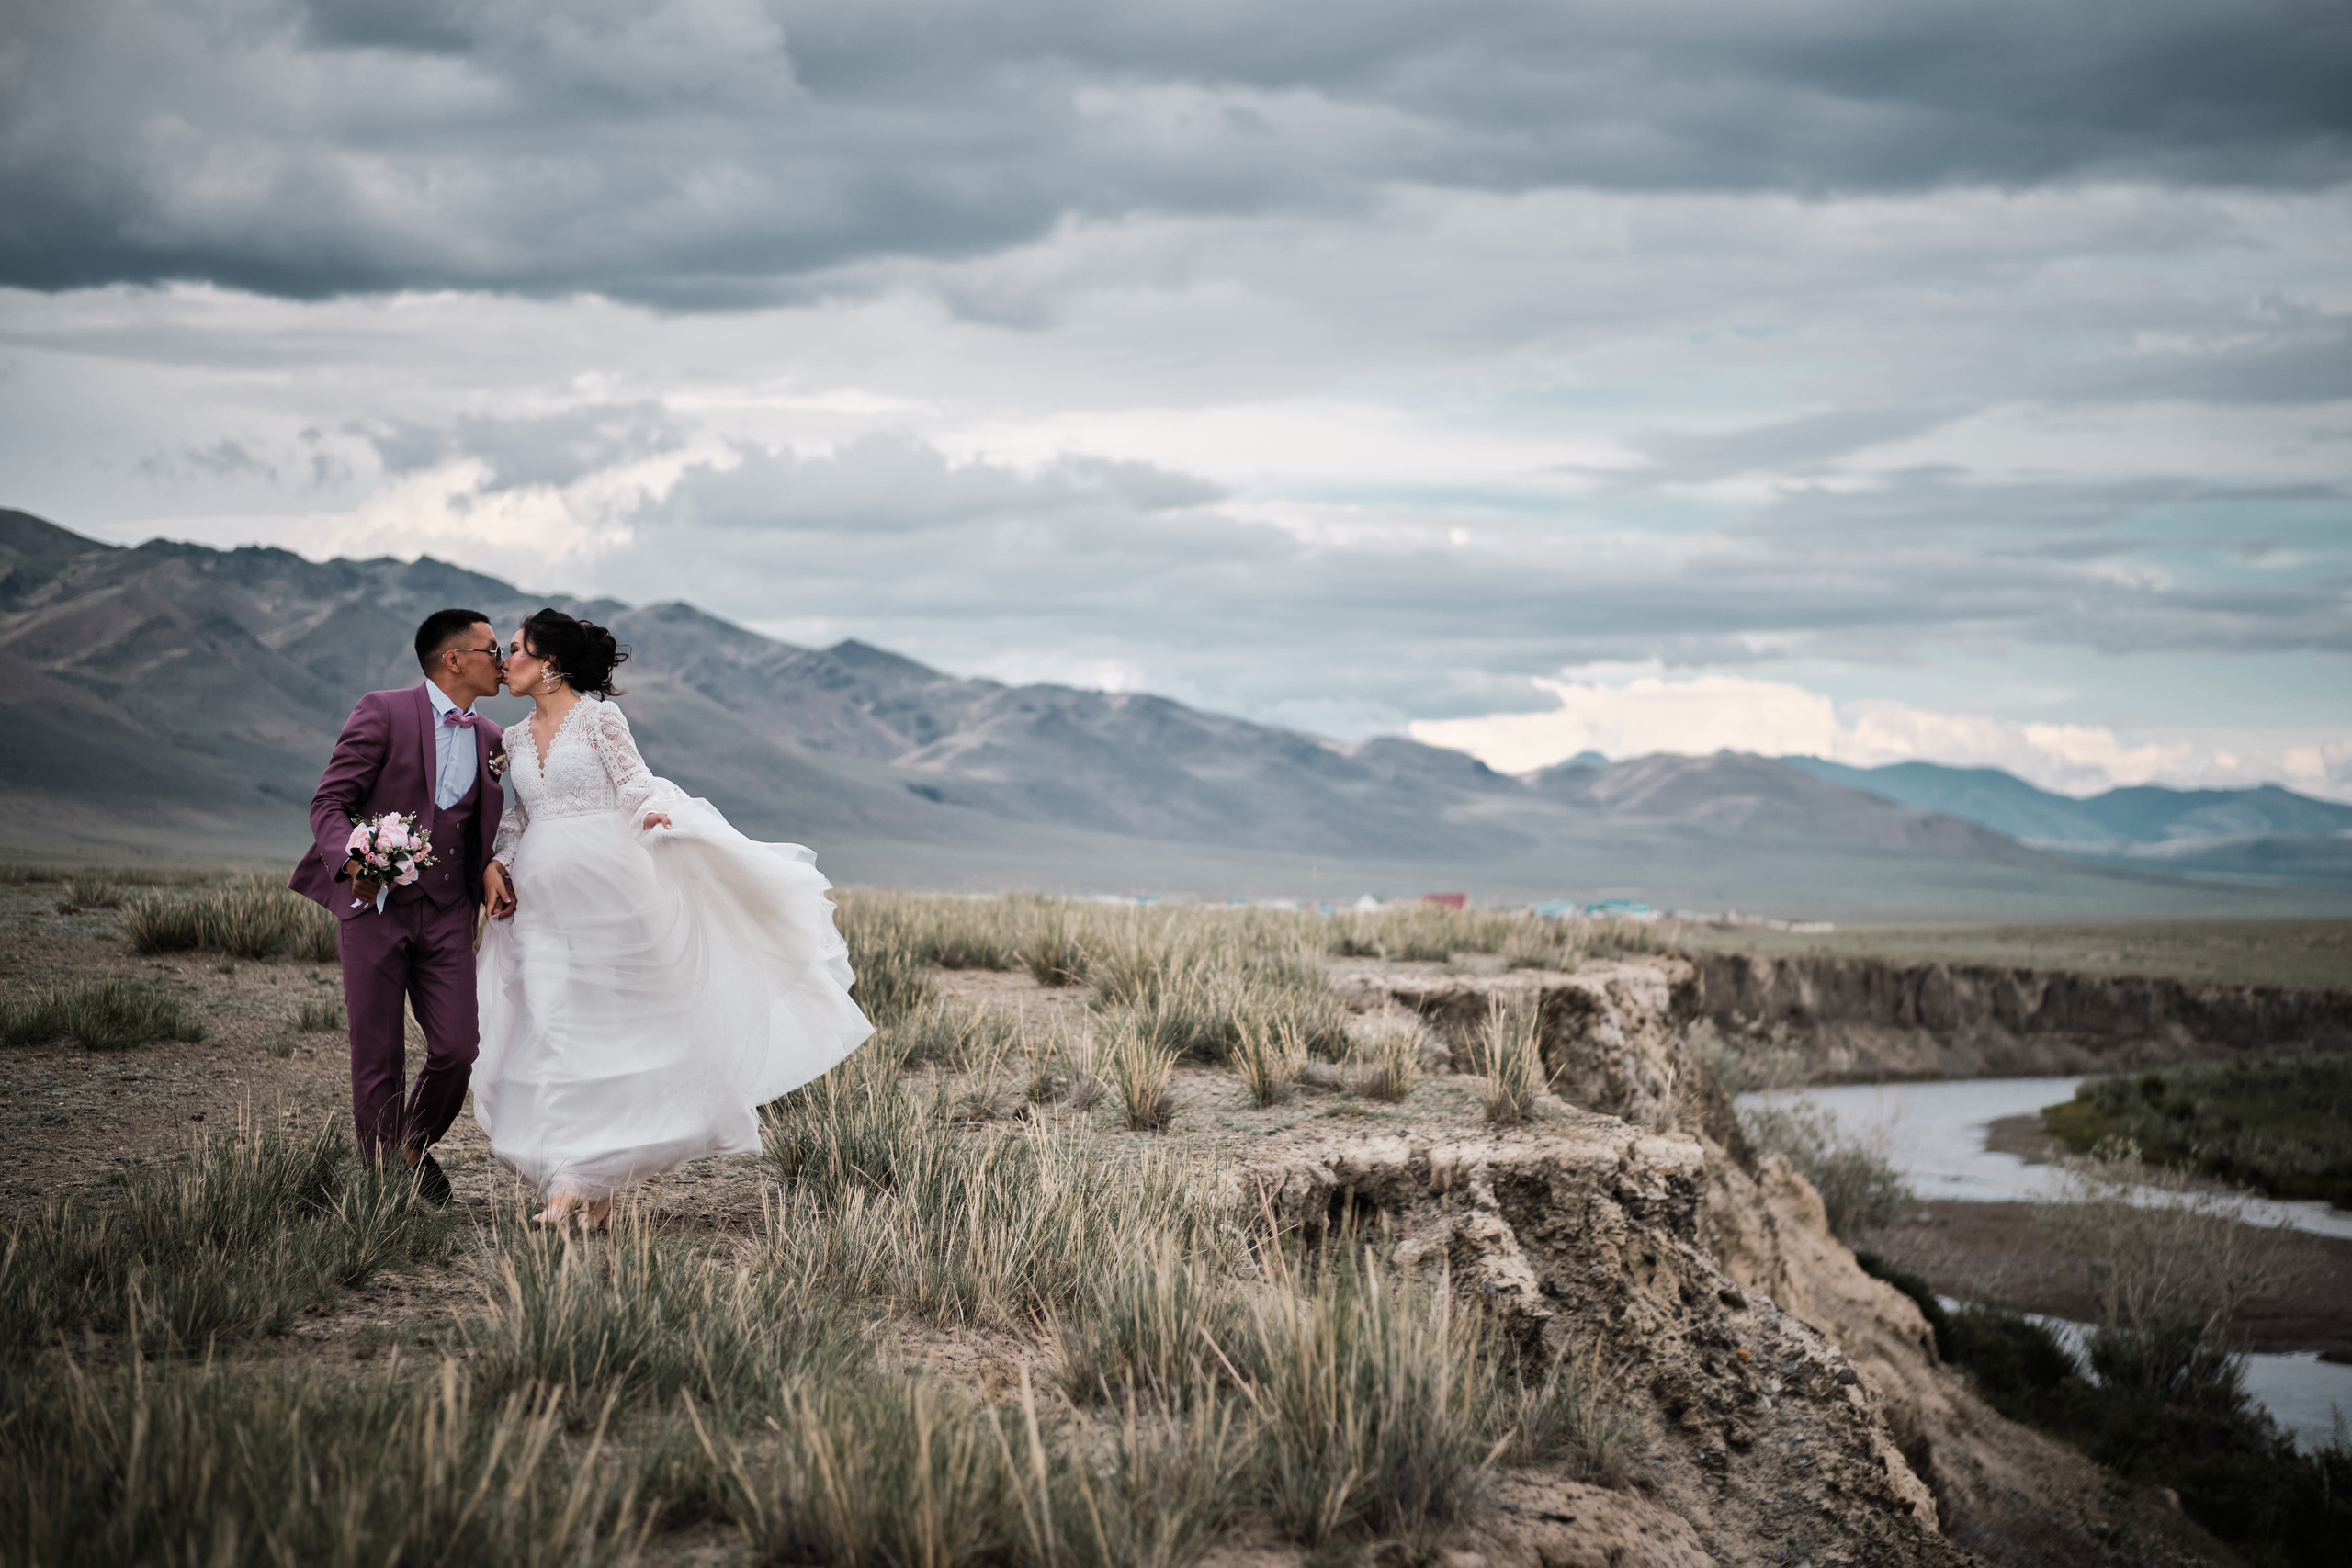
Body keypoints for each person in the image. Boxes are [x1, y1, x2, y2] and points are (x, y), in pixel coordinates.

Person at [473, 607, 873, 1227]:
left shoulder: (600, 718)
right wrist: (498, 862)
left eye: (518, 649)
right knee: (552, 1026)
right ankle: (578, 1181)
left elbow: (634, 783)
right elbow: (517, 818)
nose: (507, 660)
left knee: (603, 1033)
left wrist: (654, 813)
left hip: (610, 894)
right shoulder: (514, 739)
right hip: (542, 903)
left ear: (550, 662)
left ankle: (579, 1181)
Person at [290, 608, 509, 1203]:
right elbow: (331, 801)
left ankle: (412, 1145)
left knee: (459, 1047)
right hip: (376, 908)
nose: (504, 661)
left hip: (447, 915)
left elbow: (481, 829)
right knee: (377, 1052)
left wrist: (490, 866)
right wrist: (352, 857)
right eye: (493, 649)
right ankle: (383, 1185)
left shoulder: (492, 739)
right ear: (453, 658)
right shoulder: (382, 711)